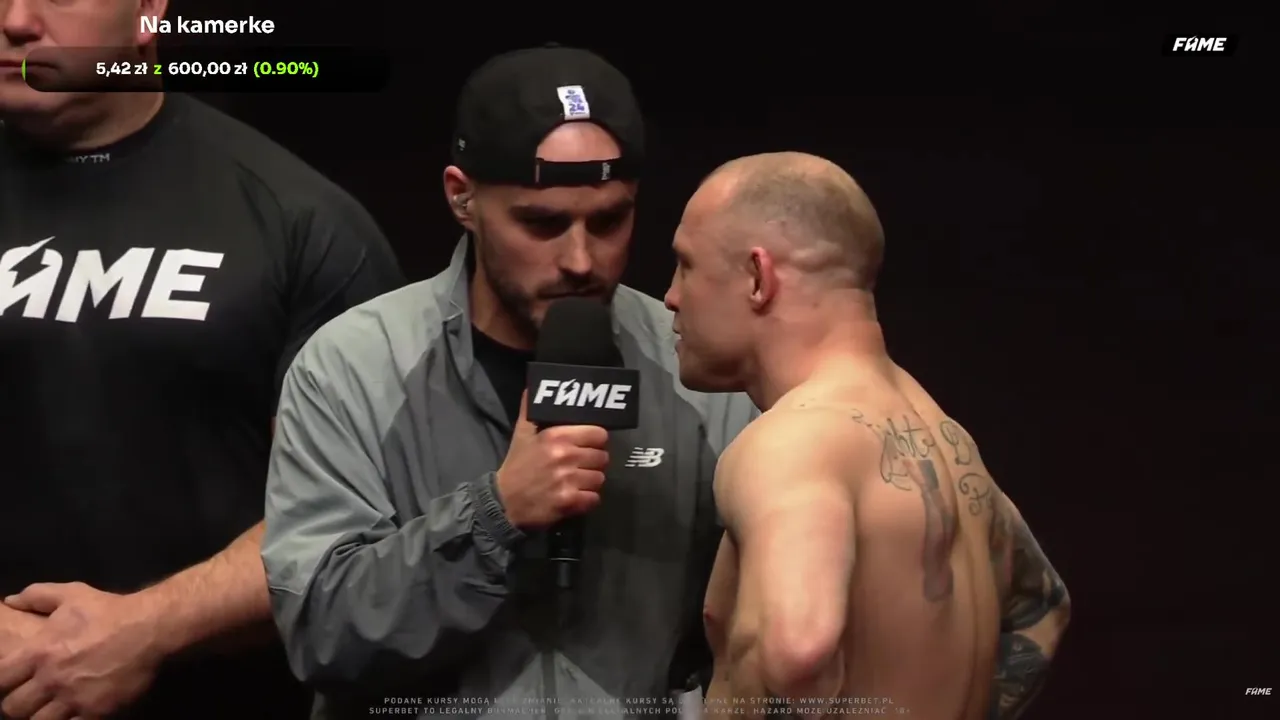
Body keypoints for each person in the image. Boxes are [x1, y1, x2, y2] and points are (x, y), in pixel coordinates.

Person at [261, 45, 757, 719]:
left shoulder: (696, 369)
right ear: (462, 197)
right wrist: (496, 514)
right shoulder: (351, 368)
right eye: (542, 223)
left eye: (609, 220)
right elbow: (322, 636)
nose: (580, 259)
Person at [0, 0, 405, 718]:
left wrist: (147, 628)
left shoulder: (298, 220)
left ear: (148, 11)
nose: (17, 20)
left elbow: (360, 513)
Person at [663, 152, 1072, 719]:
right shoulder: (945, 439)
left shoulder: (795, 441)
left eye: (685, 265)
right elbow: (1043, 609)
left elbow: (798, 647)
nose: (671, 296)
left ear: (758, 277)